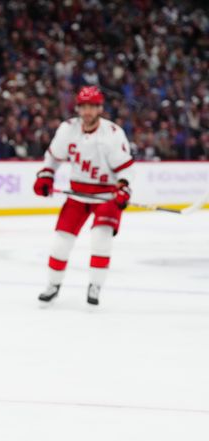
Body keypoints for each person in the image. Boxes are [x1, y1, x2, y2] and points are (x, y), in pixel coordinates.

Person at [33, 86, 134, 305]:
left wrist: (123, 188)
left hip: (106, 196)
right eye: (84, 106)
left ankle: (95, 286)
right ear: (78, 108)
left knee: (101, 241)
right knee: (61, 243)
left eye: (92, 107)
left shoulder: (113, 134)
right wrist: (46, 176)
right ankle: (53, 284)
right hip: (77, 195)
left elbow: (125, 169)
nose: (87, 111)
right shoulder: (67, 129)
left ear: (100, 108)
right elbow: (52, 158)